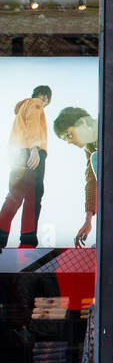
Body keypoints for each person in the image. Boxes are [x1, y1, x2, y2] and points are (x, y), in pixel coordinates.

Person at [0, 85, 52, 250]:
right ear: (38, 95)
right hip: (31, 153)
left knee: (15, 195)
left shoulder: (23, 107)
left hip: (19, 155)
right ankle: (27, 242)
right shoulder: (35, 104)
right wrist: (35, 148)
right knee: (33, 197)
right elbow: (33, 124)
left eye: (46, 98)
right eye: (43, 96)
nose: (44, 99)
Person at [52, 107, 98, 248]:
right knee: (95, 159)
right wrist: (88, 220)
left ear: (82, 123)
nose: (68, 142)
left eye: (68, 135)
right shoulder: (91, 150)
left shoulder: (109, 124)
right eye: (65, 139)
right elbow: (91, 181)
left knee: (97, 158)